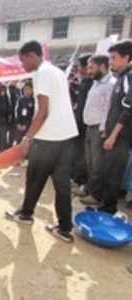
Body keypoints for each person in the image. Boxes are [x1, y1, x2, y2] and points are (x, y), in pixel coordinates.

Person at [6, 41, 79, 243]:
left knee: (35, 178)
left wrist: (27, 139)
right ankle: (64, 228)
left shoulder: (42, 73)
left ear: (32, 56)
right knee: (62, 185)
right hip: (66, 137)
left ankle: (26, 215)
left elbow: (43, 111)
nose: (22, 65)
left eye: (23, 60)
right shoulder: (56, 71)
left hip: (48, 138)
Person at [98, 40, 132, 214]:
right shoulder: (121, 76)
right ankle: (105, 205)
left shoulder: (129, 76)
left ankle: (108, 209)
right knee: (107, 170)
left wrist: (113, 135)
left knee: (113, 174)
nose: (111, 61)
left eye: (114, 58)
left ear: (126, 57)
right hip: (112, 133)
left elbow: (128, 110)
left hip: (121, 136)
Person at [77, 55, 115, 206]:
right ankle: (88, 188)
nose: (88, 71)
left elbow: (108, 109)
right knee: (90, 162)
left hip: (99, 129)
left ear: (102, 66)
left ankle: (95, 194)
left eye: (91, 67)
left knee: (97, 164)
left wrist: (103, 128)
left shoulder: (110, 84)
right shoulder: (96, 83)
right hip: (89, 127)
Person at [71, 54, 93, 192]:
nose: (78, 69)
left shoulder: (90, 83)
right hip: (79, 123)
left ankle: (80, 180)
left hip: (84, 125)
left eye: (79, 66)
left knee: (82, 155)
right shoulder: (84, 82)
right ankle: (76, 178)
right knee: (77, 152)